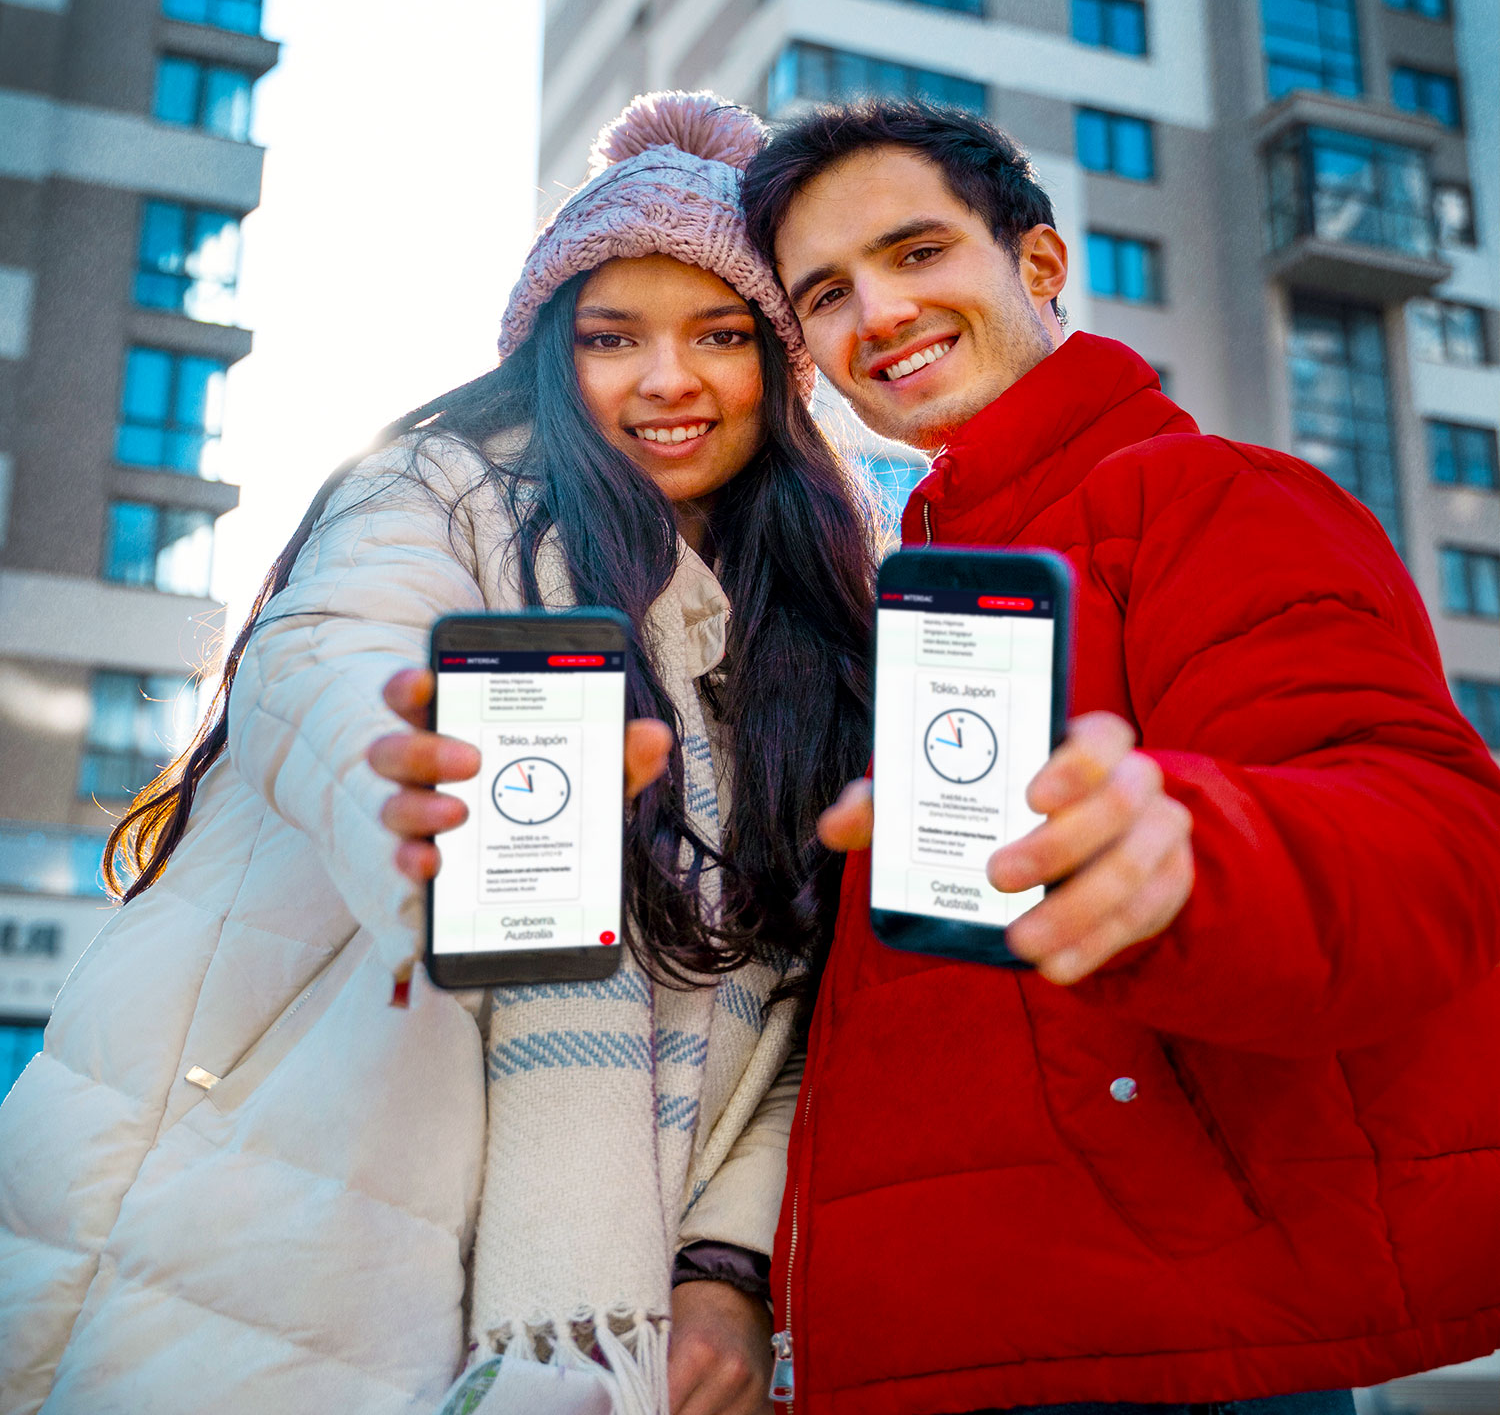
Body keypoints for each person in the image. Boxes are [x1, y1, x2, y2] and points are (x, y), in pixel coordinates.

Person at [0, 93, 875, 1415]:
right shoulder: (432, 490)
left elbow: (818, 1003)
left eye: (719, 335)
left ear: (777, 363)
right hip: (285, 1224)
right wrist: (401, 778)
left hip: (628, 1311)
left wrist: (726, 1267)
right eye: (610, 336)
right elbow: (327, 660)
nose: (668, 380)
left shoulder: (810, 634)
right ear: (544, 353)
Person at [726, 101, 1500, 1415]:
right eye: (830, 294)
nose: (881, 314)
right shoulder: (911, 597)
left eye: (920, 254)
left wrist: (1193, 857)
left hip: (1162, 1349)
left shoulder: (1213, 498)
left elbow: (1429, 832)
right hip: (922, 1348)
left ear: (1037, 265)